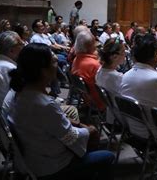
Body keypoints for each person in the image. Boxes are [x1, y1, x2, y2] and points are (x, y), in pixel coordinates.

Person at [8, 43, 114, 179]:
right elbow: (71, 137)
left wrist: (78, 125)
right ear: (43, 70)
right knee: (106, 155)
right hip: (51, 166)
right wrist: (89, 130)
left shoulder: (21, 93)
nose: (57, 65)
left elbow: (50, 123)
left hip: (33, 156)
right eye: (53, 61)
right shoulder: (44, 104)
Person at [71, 31, 105, 111]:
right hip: (99, 101)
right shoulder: (94, 64)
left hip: (86, 98)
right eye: (94, 42)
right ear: (89, 46)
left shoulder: (76, 59)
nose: (96, 45)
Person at [96, 37, 126, 123]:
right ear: (114, 56)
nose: (125, 55)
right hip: (120, 118)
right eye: (123, 52)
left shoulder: (99, 70)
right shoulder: (116, 77)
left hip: (110, 114)